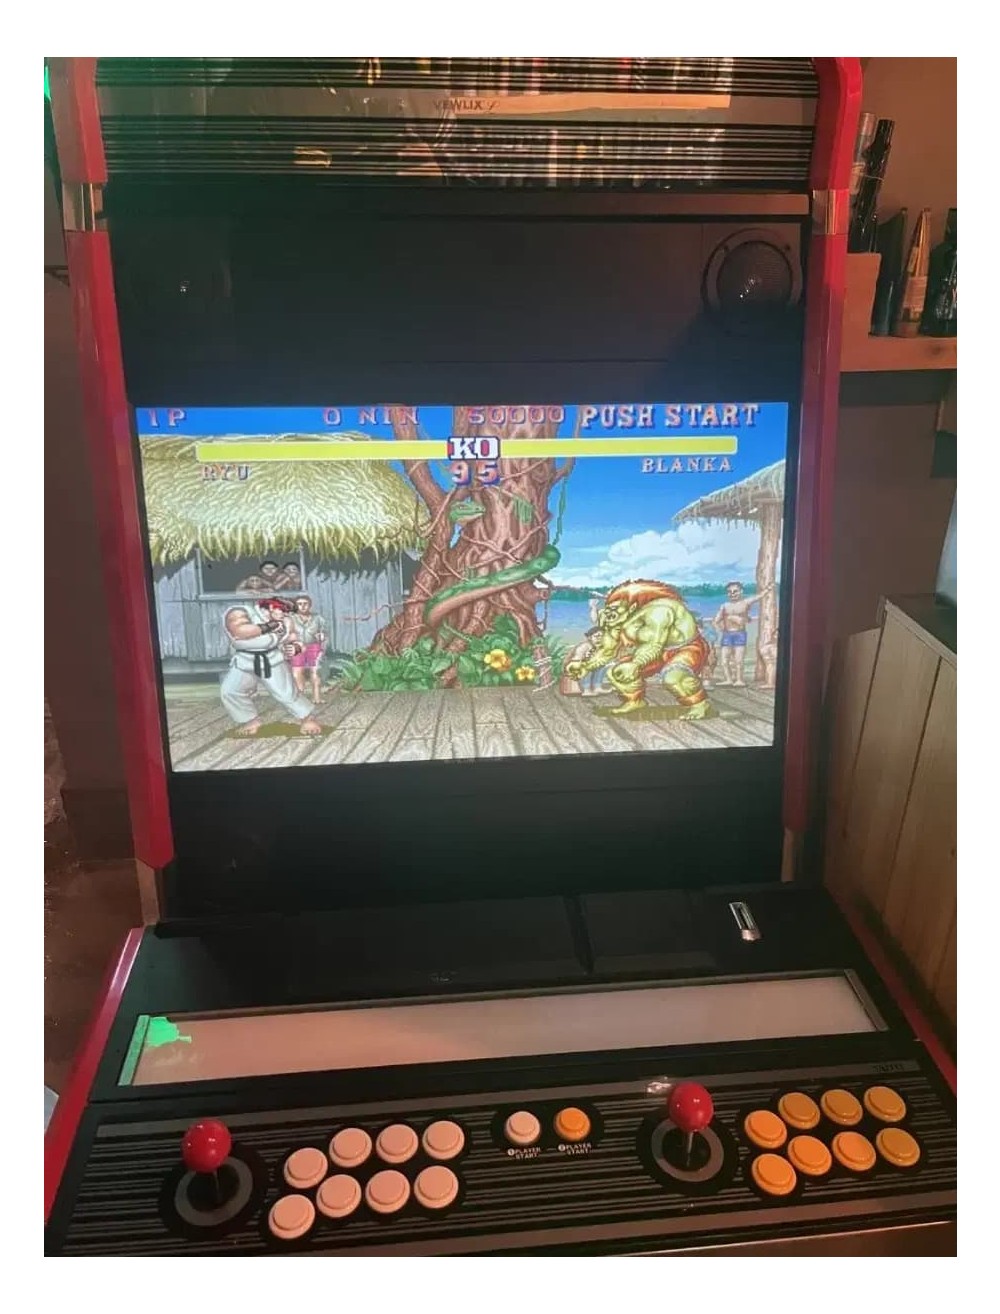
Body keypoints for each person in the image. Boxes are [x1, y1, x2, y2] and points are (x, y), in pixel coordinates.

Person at [565, 579, 712, 719]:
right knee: (616, 671)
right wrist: (585, 666)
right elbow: (608, 651)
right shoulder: (617, 618)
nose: (609, 613)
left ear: (632, 607)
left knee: (673, 677)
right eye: (609, 608)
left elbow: (654, 645)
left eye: (615, 608)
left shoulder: (659, 611)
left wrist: (635, 664)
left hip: (686, 648)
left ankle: (699, 703)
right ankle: (634, 701)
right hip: (658, 652)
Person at [220, 597, 322, 736]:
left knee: (286, 694)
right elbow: (239, 631)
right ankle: (250, 720)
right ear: (272, 608)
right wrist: (269, 626)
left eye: (287, 612)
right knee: (230, 691)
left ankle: (307, 718)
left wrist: (295, 647)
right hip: (244, 660)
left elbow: (294, 638)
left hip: (271, 660)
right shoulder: (242, 612)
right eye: (283, 611)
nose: (285, 615)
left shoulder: (285, 621)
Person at [712, 581, 774, 688]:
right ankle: (728, 679)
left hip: (740, 634)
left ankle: (739, 680)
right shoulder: (725, 606)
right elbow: (716, 620)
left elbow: (758, 597)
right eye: (730, 592)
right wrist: (720, 628)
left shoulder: (745, 603)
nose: (732, 594)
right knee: (724, 660)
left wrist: (768, 589)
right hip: (727, 635)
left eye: (735, 591)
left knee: (739, 660)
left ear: (741, 591)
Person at [289, 594, 328, 704]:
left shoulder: (318, 618)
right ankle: (300, 699)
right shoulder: (291, 618)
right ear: (296, 605)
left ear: (310, 605)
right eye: (299, 604)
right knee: (297, 672)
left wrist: (322, 636)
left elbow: (325, 633)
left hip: (314, 646)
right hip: (297, 647)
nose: (302, 606)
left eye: (305, 604)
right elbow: (286, 633)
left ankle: (317, 697)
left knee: (315, 671)